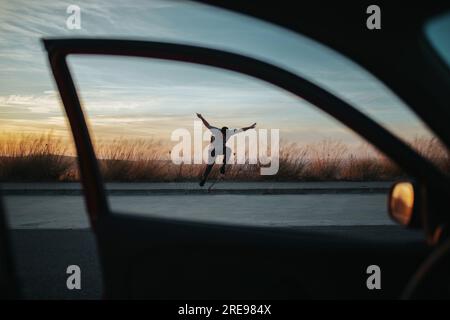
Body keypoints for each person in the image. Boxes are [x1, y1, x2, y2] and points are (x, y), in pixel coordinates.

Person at [196, 113, 256, 187]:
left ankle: (223, 167)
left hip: (221, 149)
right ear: (220, 131)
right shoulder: (216, 131)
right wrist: (201, 117)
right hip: (212, 150)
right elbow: (208, 125)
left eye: (225, 136)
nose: (224, 137)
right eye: (222, 135)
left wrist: (249, 127)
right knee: (209, 166)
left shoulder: (229, 132)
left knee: (228, 150)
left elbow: (241, 130)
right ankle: (204, 179)